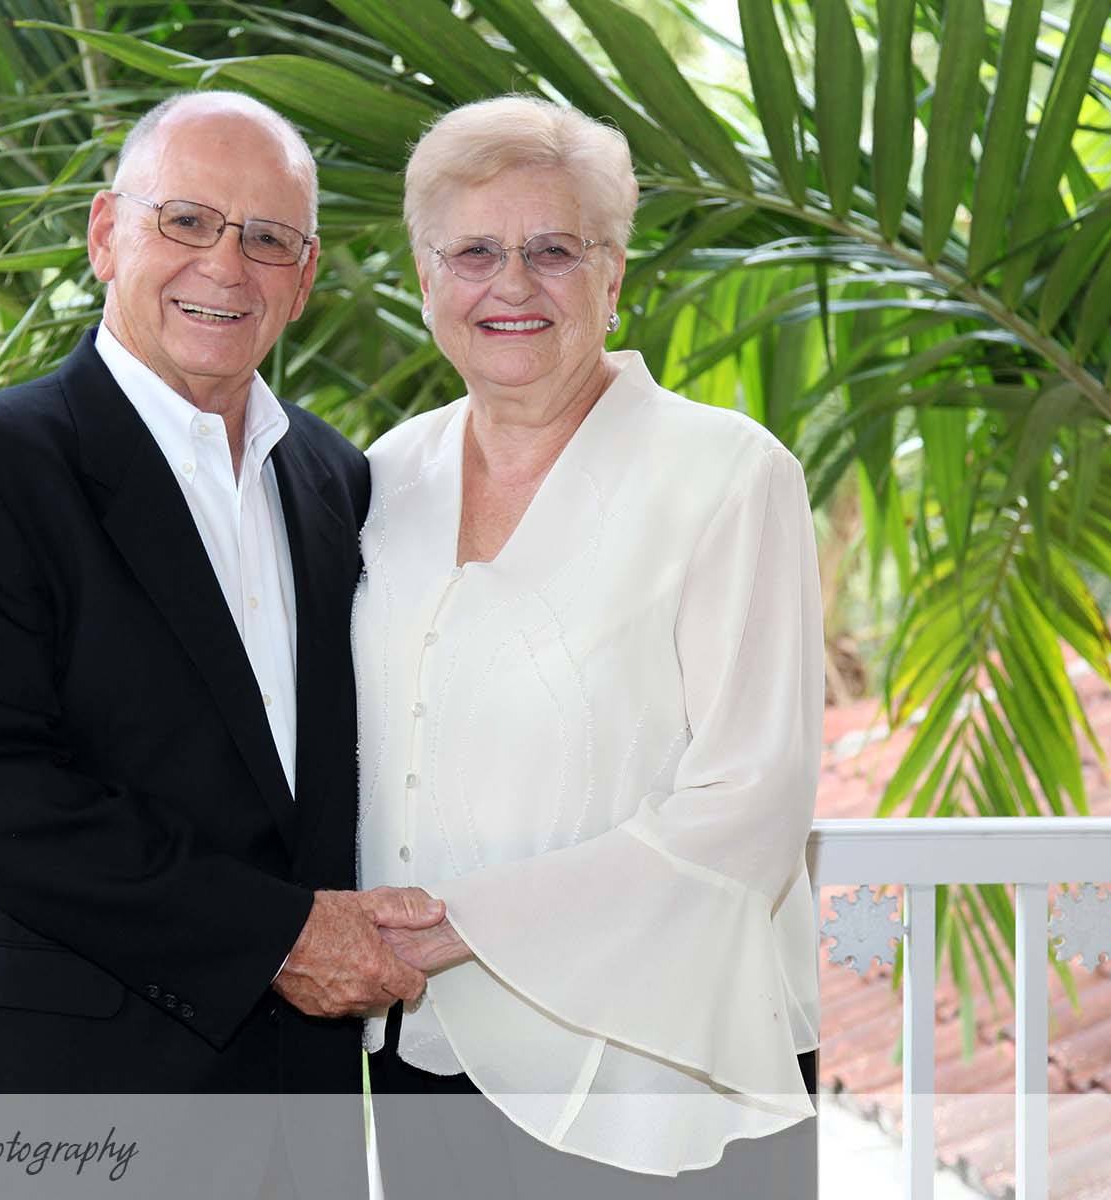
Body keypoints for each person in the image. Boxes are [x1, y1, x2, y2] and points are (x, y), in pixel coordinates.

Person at [0, 91, 443, 1194]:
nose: (225, 265)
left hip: (298, 1114)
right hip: (59, 1106)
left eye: (268, 238)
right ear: (105, 234)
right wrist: (282, 938)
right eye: (185, 220)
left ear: (304, 280)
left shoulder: (337, 480)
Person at [356, 96, 824, 1198]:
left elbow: (751, 801)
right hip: (429, 1051)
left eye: (554, 250)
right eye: (474, 252)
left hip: (666, 1065)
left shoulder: (727, 475)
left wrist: (464, 928)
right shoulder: (383, 477)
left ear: (613, 277)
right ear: (426, 278)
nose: (511, 284)